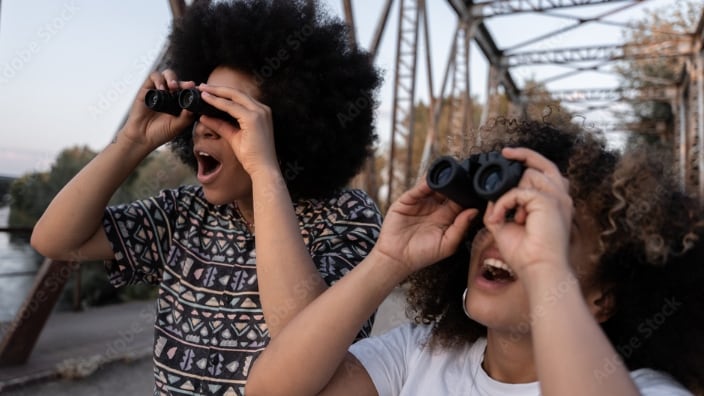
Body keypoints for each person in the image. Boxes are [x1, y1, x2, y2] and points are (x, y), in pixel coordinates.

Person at [30, 1, 383, 395]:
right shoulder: (185, 212)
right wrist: (131, 143)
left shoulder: (346, 215)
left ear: (288, 127)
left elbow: (302, 340)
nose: (204, 128)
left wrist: (264, 169)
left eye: (229, 112)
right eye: (202, 106)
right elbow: (55, 240)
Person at [245, 119, 704, 396]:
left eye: (551, 230)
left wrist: (544, 268)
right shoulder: (418, 355)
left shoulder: (644, 388)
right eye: (498, 214)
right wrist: (389, 259)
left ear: (603, 299)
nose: (503, 237)